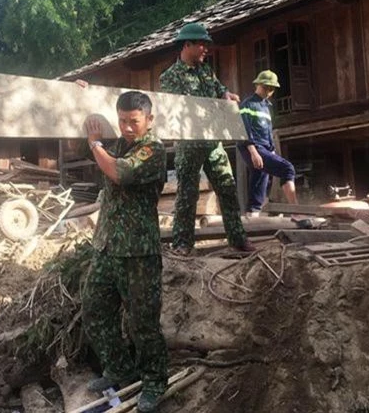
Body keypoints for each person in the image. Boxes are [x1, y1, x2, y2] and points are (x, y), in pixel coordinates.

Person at [81, 91, 168, 413]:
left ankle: (155, 381)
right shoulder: (120, 144)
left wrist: (95, 144)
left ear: (148, 119)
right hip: (106, 246)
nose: (127, 127)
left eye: (134, 121)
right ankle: (119, 368)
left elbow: (119, 172)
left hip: (137, 252)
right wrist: (84, 94)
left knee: (143, 323)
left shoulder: (153, 150)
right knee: (94, 309)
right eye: (122, 121)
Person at [160, 22, 255, 255]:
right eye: (201, 44)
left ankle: (238, 239)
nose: (205, 49)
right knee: (187, 194)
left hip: (213, 142)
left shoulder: (206, 71)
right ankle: (182, 244)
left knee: (227, 189)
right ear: (187, 44)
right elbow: (174, 111)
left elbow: (219, 88)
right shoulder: (170, 77)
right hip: (190, 144)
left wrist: (226, 94)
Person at [237, 70, 312, 228]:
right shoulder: (247, 104)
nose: (269, 91)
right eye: (266, 87)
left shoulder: (266, 107)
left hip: (264, 147)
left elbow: (268, 131)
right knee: (287, 169)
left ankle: (252, 214)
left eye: (271, 89)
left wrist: (271, 150)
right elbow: (244, 129)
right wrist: (253, 152)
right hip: (251, 146)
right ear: (258, 85)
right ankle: (295, 211)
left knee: (260, 175)